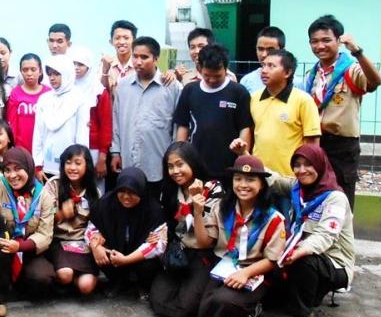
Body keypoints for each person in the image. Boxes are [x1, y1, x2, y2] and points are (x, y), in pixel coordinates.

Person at [195, 155, 287, 317]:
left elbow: (272, 260)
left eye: (251, 180)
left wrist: (245, 273)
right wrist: (197, 214)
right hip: (223, 267)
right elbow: (205, 242)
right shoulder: (222, 208)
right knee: (203, 316)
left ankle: (251, 309)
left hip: (255, 272)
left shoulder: (273, 219)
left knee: (218, 308)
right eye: (238, 179)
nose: (243, 185)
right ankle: (232, 310)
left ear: (262, 185)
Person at [304, 14, 381, 208]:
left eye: (326, 40)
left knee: (341, 199)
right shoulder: (311, 75)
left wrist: (358, 52)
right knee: (314, 198)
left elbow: (375, 81)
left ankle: (342, 238)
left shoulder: (351, 70)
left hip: (342, 146)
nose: (320, 46)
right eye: (314, 41)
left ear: (338, 41)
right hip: (314, 142)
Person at [277, 144, 355, 317]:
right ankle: (308, 294)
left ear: (320, 165)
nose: (302, 170)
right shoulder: (298, 188)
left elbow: (326, 235)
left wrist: (300, 250)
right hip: (302, 256)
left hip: (334, 262)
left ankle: (304, 314)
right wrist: (245, 156)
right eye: (297, 164)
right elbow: (273, 180)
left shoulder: (335, 198)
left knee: (305, 261)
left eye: (308, 165)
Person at [0, 147, 55, 317]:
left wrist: (20, 246)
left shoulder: (44, 195)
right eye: (7, 170)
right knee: (1, 251)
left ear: (29, 168)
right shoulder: (0, 185)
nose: (12, 175)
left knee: (42, 278)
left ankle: (16, 283)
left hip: (27, 249)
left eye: (18, 169)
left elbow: (45, 235)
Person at [150, 142, 223, 317]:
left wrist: (197, 210)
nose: (175, 171)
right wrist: (161, 235)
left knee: (185, 309)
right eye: (170, 166)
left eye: (180, 164)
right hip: (180, 251)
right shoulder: (170, 189)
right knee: (157, 300)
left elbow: (205, 242)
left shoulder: (213, 189)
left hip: (204, 253)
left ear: (193, 162)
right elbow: (168, 221)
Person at [110, 37, 182, 201]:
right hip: (128, 160)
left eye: (144, 57)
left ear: (156, 59)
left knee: (156, 210)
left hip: (158, 163)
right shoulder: (123, 86)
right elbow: (116, 121)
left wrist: (175, 159)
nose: (138, 62)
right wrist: (115, 152)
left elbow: (178, 126)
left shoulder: (171, 87)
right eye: (135, 56)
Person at [174, 44, 252, 185]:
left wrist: (242, 157)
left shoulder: (238, 92)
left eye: (217, 76)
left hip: (229, 168)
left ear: (226, 69)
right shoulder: (190, 91)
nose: (212, 80)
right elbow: (183, 126)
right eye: (207, 76)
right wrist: (180, 158)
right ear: (199, 69)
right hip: (196, 167)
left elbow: (245, 128)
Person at [87, 167, 165, 298]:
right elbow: (91, 228)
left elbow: (157, 245)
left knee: (149, 264)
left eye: (132, 192)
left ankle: (142, 285)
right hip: (114, 253)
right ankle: (117, 282)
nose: (126, 197)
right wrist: (96, 247)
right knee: (100, 254)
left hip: (138, 258)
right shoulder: (106, 204)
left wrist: (126, 260)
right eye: (122, 191)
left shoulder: (153, 210)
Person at [249, 49, 321, 176]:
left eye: (271, 66)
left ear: (287, 72)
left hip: (290, 177)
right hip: (259, 175)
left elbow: (313, 144)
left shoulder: (303, 100)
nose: (264, 70)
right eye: (263, 65)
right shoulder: (254, 98)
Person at [43, 145, 100, 295]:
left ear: (87, 165)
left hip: (82, 243)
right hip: (58, 241)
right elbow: (40, 221)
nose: (72, 167)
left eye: (78, 163)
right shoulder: (53, 185)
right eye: (68, 162)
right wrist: (61, 214)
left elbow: (97, 226)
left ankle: (75, 280)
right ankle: (63, 278)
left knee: (86, 286)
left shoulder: (94, 192)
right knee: (65, 274)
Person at [33, 54, 89, 179]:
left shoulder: (79, 98)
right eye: (50, 74)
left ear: (66, 73)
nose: (52, 78)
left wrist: (80, 164)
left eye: (56, 74)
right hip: (46, 167)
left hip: (71, 168)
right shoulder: (44, 99)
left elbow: (82, 136)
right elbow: (38, 135)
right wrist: (38, 164)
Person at [70, 45, 112, 193]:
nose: (76, 68)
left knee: (95, 190)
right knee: (73, 188)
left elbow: (106, 125)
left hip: (93, 149)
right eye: (73, 63)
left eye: (80, 64)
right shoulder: (66, 88)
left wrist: (102, 158)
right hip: (71, 146)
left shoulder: (99, 90)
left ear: (88, 66)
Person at [6, 53, 50, 153]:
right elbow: (12, 124)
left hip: (44, 148)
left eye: (33, 69)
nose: (29, 73)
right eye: (25, 70)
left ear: (40, 71)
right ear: (20, 71)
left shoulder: (49, 93)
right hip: (21, 149)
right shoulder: (15, 93)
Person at [240, 26, 286, 94]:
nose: (264, 55)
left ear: (282, 51)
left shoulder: (296, 84)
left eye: (270, 49)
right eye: (260, 49)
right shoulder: (247, 81)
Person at [101, 19, 137, 95]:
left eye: (126, 38)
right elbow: (101, 93)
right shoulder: (105, 63)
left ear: (134, 41)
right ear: (111, 42)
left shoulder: (139, 64)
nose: (121, 42)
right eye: (117, 38)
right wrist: (105, 71)